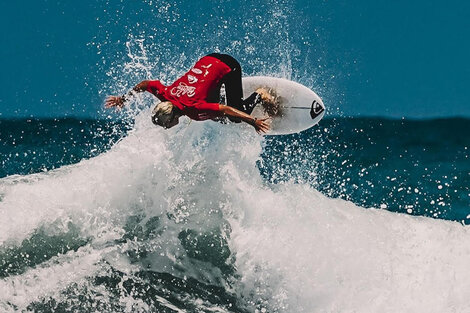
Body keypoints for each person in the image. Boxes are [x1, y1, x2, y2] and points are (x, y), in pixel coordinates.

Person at [105, 53, 276, 133]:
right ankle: (224, 92)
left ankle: (260, 95)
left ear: (172, 118)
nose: (166, 128)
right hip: (209, 59)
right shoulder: (166, 95)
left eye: (166, 125)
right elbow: (146, 84)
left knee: (234, 118)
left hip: (229, 66)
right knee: (216, 116)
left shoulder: (194, 109)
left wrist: (253, 121)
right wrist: (123, 99)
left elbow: (225, 110)